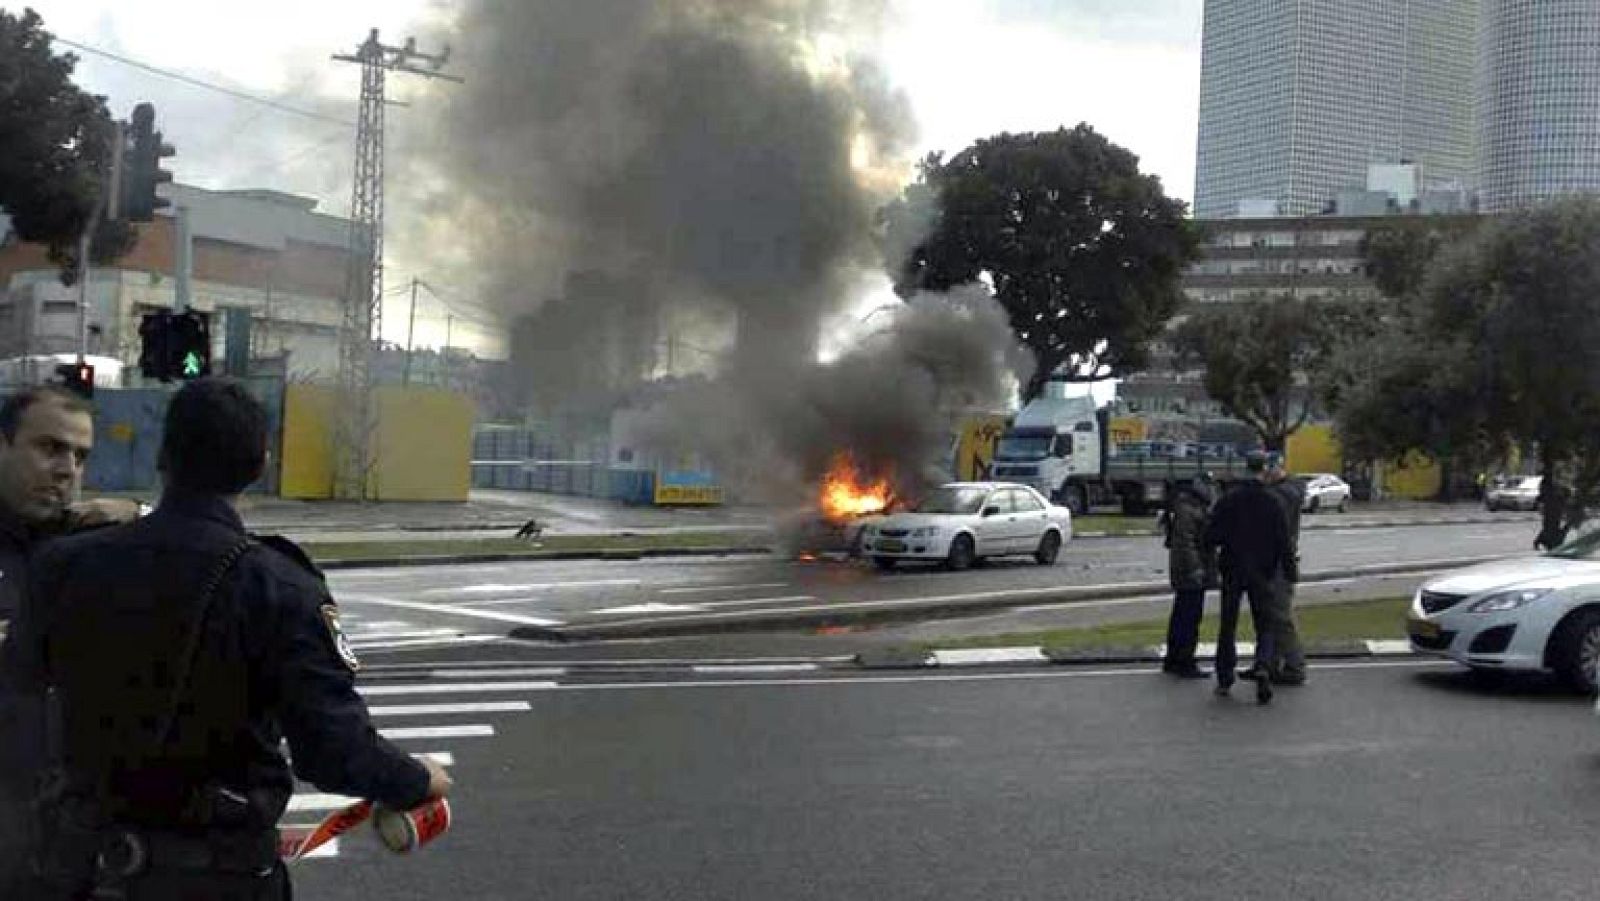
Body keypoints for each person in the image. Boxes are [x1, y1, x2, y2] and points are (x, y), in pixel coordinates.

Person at [10, 378, 453, 899]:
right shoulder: (279, 585)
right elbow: (333, 750)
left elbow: (18, 702)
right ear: (259, 465)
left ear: (164, 455)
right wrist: (417, 780)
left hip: (81, 870)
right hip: (217, 877)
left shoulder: (64, 565)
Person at [0, 386, 143, 896]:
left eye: (80, 457)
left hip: (74, 844)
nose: (67, 471)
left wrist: (138, 512)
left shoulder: (87, 552)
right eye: (50, 448)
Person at [1205, 451, 1294, 704]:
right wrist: (1289, 570)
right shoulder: (1272, 502)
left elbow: (1211, 535)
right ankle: (1263, 665)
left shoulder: (1229, 500)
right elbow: (1283, 540)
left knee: (1228, 624)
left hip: (1233, 567)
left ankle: (1224, 676)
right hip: (1263, 570)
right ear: (1264, 469)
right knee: (1264, 625)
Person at [1241, 457, 1308, 686]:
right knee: (1267, 615)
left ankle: (1294, 664)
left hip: (1280, 561)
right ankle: (1267, 663)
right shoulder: (1283, 490)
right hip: (1270, 560)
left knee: (1280, 614)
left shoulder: (1286, 493)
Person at [1160, 476, 1216, 679]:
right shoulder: (1189, 510)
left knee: (1181, 615)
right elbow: (1186, 542)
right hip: (1190, 572)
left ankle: (1174, 658)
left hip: (1186, 571)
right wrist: (1196, 569)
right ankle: (1184, 661)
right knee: (1189, 616)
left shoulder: (1183, 507)